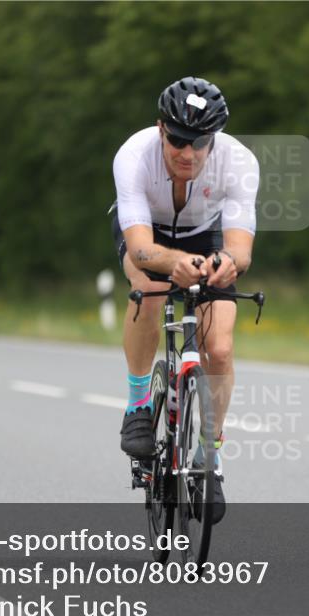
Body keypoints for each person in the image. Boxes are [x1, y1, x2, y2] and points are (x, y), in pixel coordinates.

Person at [110, 76, 259, 522]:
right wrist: (173, 262)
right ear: (161, 129)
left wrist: (227, 263)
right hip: (148, 232)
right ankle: (139, 404)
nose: (187, 153)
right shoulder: (133, 155)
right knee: (150, 289)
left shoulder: (239, 162)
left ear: (215, 139)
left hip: (205, 232)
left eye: (200, 143)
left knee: (220, 348)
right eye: (177, 140)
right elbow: (140, 249)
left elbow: (240, 249)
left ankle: (209, 454)